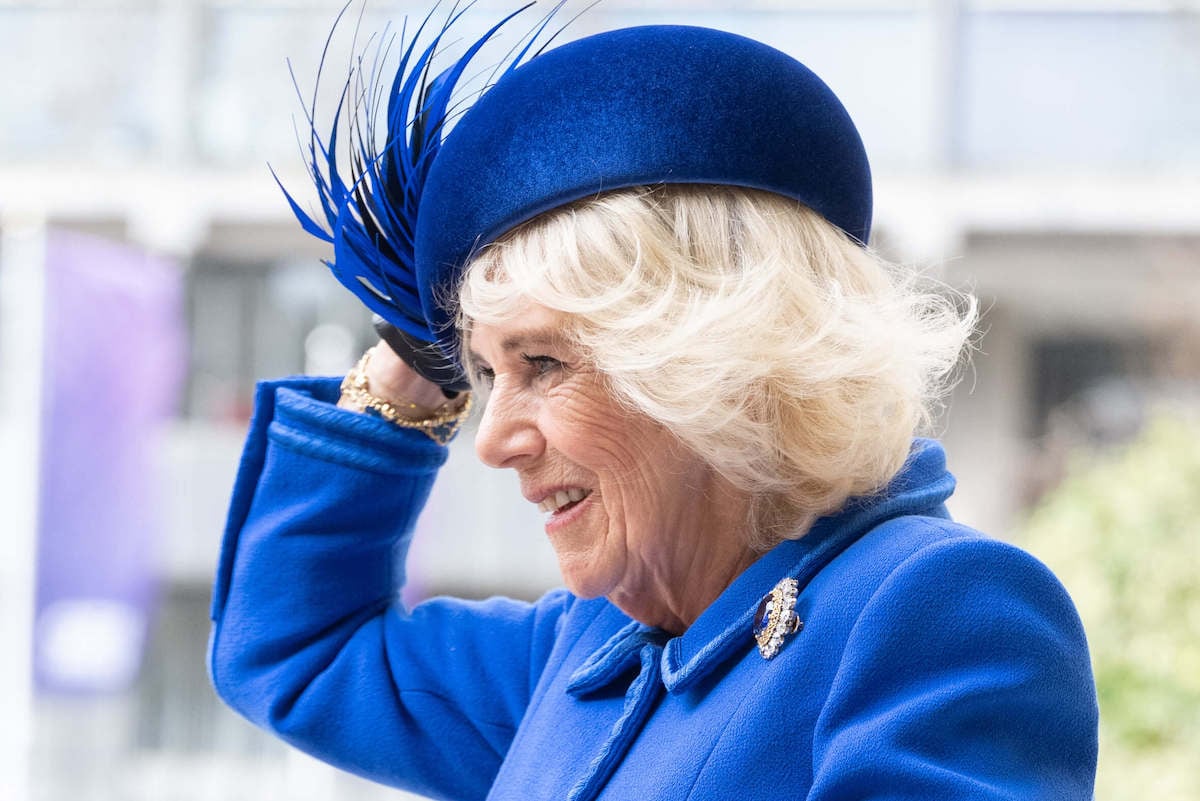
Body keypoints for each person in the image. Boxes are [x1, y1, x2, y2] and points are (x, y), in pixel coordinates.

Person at [208, 6, 1099, 800]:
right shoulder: (584, 652)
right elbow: (296, 647)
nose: (493, 440)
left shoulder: (935, 613)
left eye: (545, 362)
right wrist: (414, 351)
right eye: (481, 375)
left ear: (719, 355)